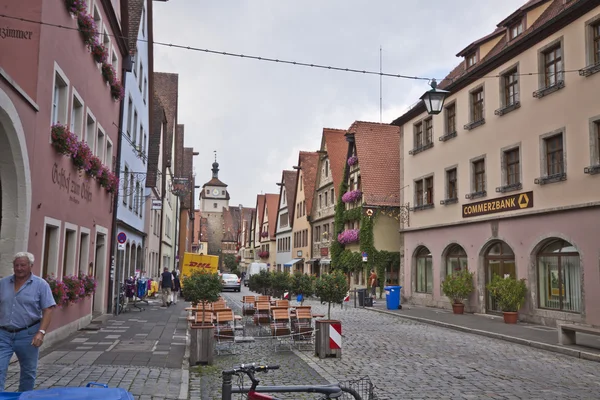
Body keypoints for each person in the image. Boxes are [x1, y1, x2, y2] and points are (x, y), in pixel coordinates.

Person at [0, 252, 56, 392]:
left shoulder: (41, 284)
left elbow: (48, 309)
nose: (19, 268)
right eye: (16, 265)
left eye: (23, 265)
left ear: (30, 266)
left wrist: (41, 332)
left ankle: (25, 397)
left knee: (28, 372)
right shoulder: (3, 283)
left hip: (28, 334)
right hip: (3, 334)